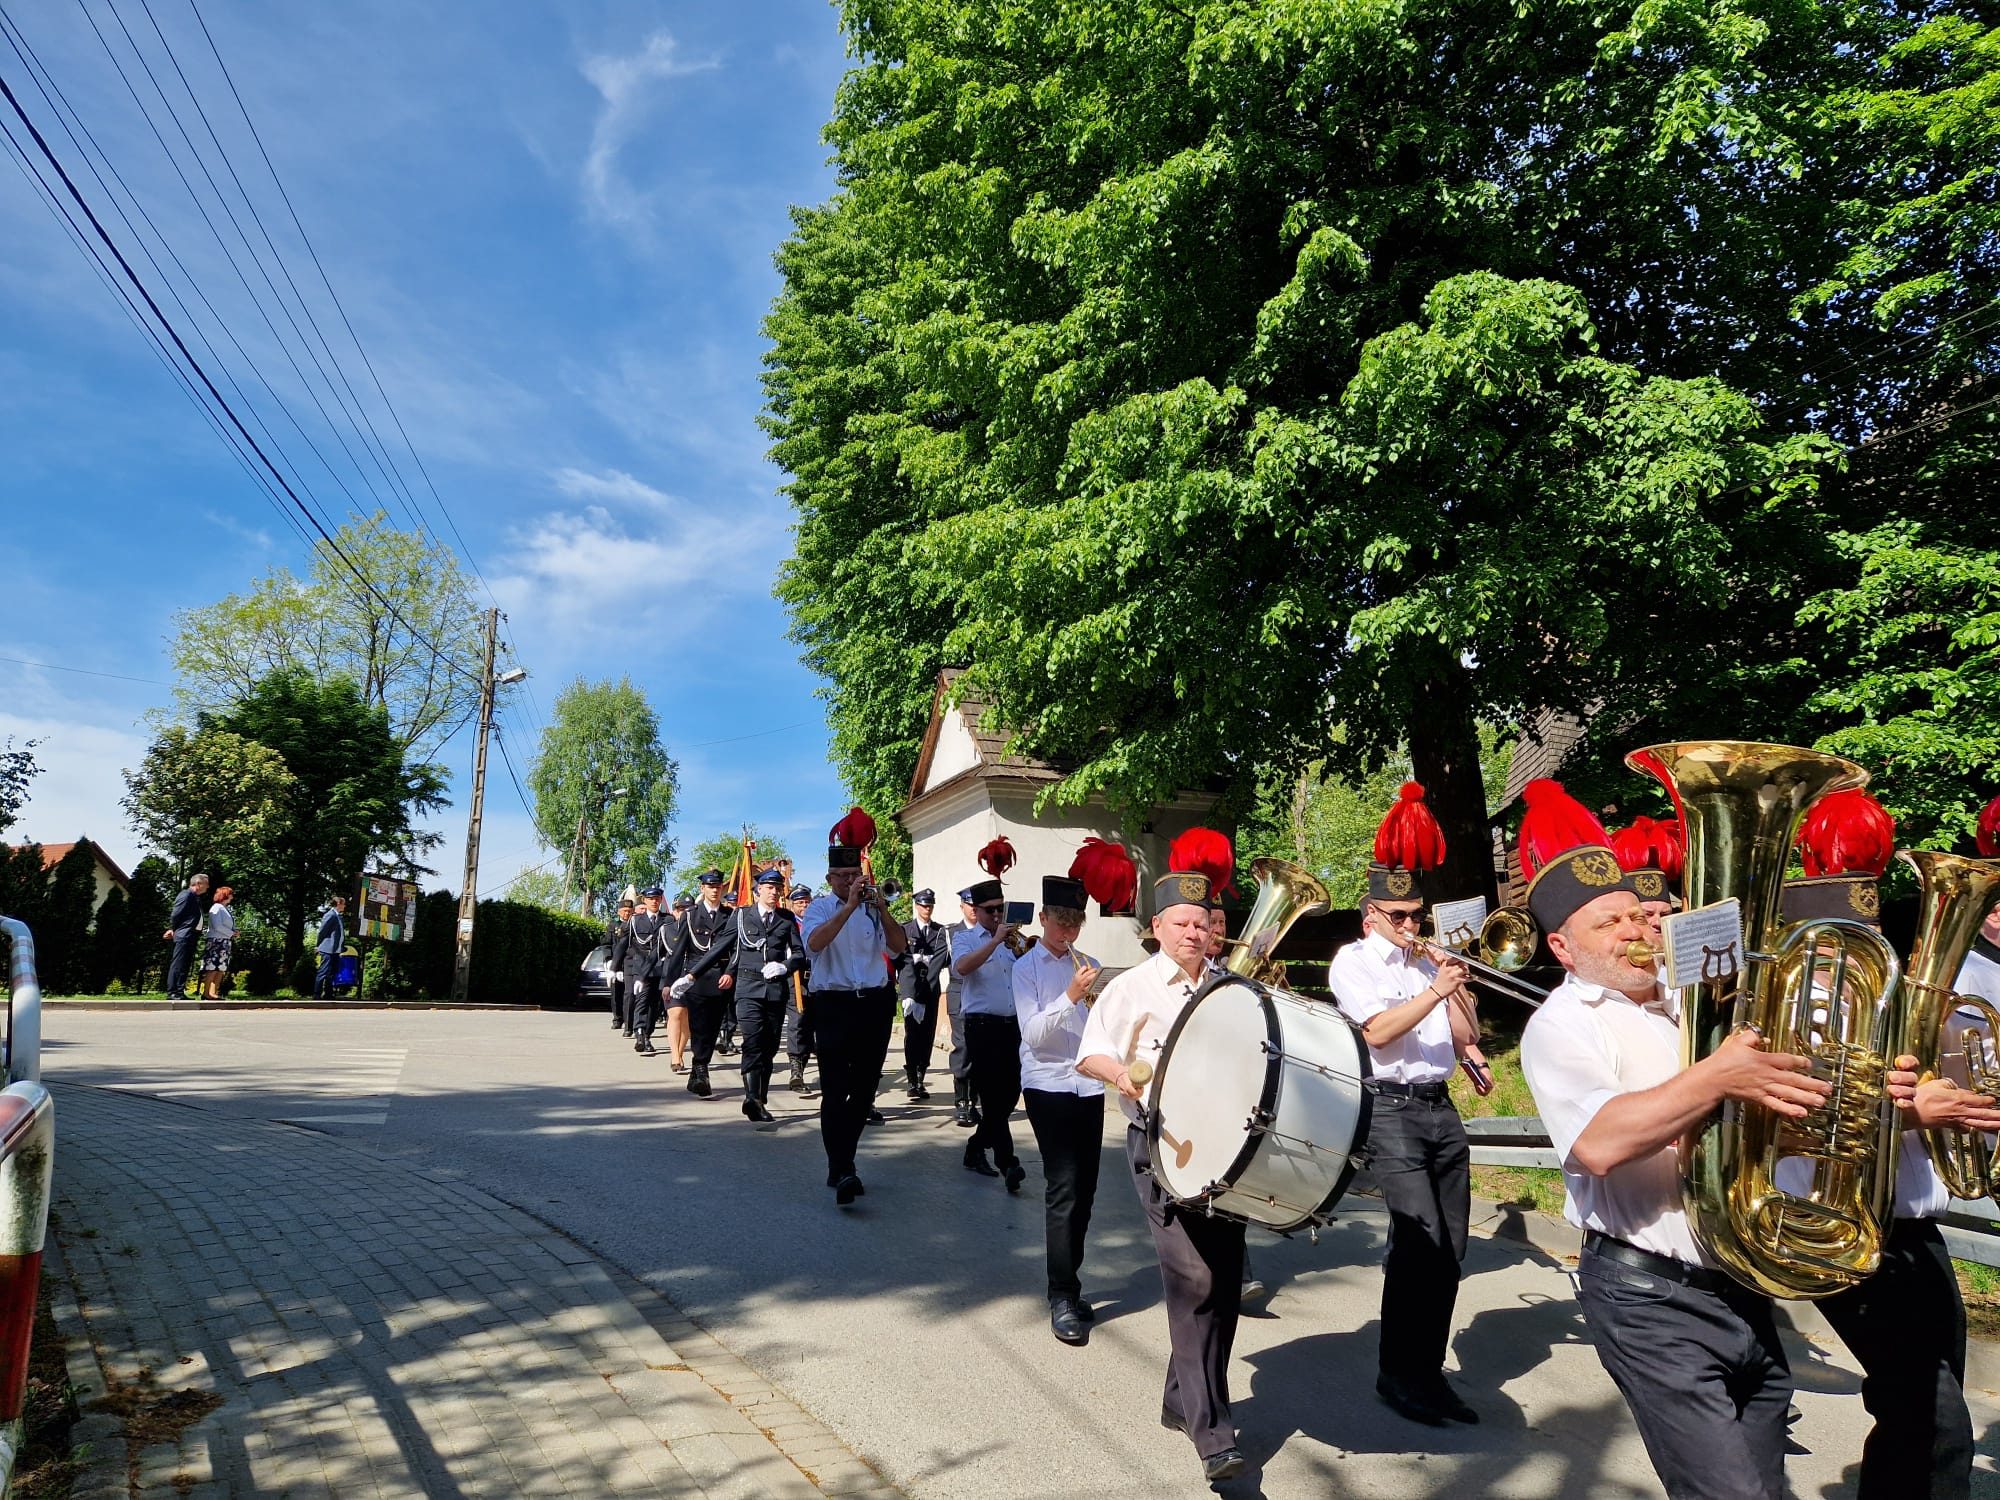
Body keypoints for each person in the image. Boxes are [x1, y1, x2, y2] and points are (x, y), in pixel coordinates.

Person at [1517, 782, 1827, 1500]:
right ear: (1562, 946)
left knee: (1767, 1487)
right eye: (1609, 924)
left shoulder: (1698, 1003)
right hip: (1650, 1295)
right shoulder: (1563, 1023)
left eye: (1638, 915)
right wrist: (1719, 1077)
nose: (1636, 931)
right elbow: (1596, 1143)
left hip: (1742, 1274)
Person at [1777, 791, 1985, 1500]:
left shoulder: (1890, 990)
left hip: (1909, 1224)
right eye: (1850, 948)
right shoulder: (1793, 994)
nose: (1870, 964)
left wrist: (1956, 1090)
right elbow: (1806, 1112)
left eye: (1872, 943)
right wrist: (1916, 1114)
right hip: (1836, 1221)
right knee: (1932, 1417)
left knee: (1930, 1399)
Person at [1077, 870, 1245, 1484]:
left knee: (1224, 1279)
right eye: (1182, 923)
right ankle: (1213, 1435)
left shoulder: (1229, 987)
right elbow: (1091, 1051)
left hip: (1226, 1153)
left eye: (1203, 924)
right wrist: (1122, 1077)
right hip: (1161, 1147)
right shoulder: (1134, 987)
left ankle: (1181, 1397)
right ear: (1158, 928)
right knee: (1192, 1277)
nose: (1194, 933)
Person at [1326, 783, 1478, 1426]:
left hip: (1440, 1107)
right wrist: (1433, 989)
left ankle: (1428, 1371)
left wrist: (1458, 986)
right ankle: (1398, 1373)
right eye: (1401, 917)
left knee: (1451, 1249)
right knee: (1417, 1241)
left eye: (1418, 915)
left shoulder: (1428, 964)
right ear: (1372, 916)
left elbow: (1466, 1035)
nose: (1413, 926)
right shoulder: (1352, 961)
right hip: (1388, 1110)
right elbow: (1379, 1031)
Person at [1013, 874, 1105, 1344]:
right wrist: (1071, 995)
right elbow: (1033, 1034)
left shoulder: (1089, 964)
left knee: (1086, 1189)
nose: (1065, 932)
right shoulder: (1025, 968)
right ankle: (1061, 1294)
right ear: (1044, 919)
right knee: (1063, 1185)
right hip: (1047, 1083)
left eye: (1073, 923)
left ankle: (1072, 1281)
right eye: (1059, 922)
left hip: (1088, 1084)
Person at [800, 841, 906, 1204]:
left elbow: (897, 948)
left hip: (873, 1003)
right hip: (834, 1004)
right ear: (830, 878)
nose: (849, 881)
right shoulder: (818, 908)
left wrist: (883, 909)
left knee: (863, 1092)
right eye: (842, 877)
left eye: (853, 876)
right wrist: (848, 907)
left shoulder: (873, 909)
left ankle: (842, 1163)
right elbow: (814, 945)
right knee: (834, 1090)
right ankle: (843, 1167)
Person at [682, 869, 804, 1124]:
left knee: (769, 1046)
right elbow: (719, 947)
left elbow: (800, 954)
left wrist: (786, 966)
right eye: (768, 887)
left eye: (777, 888)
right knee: (752, 1041)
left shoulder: (786, 918)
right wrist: (691, 975)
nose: (773, 892)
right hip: (748, 988)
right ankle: (752, 1099)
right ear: (758, 889)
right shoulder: (741, 916)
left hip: (774, 990)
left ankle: (760, 1094)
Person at [952, 877, 1026, 1189]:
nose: (997, 915)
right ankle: (1008, 1163)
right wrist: (994, 940)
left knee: (1010, 1095)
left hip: (1014, 1025)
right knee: (994, 1097)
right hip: (982, 1025)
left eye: (1000, 909)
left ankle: (975, 1145)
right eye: (990, 910)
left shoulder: (1014, 939)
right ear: (976, 910)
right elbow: (963, 968)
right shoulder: (965, 939)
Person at [666, 872, 734, 1097]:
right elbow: (679, 951)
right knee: (698, 1025)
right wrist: (669, 982)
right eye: (709, 886)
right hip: (695, 978)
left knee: (713, 1026)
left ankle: (697, 1067)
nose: (714, 890)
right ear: (702, 888)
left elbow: (735, 951)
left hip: (720, 978)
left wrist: (731, 973)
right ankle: (702, 1069)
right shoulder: (690, 916)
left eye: (717, 887)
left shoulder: (730, 915)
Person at [897, 889, 951, 1101]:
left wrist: (922, 961)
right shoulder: (905, 930)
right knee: (912, 1034)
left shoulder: (939, 932)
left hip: (930, 988)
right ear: (916, 906)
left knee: (927, 1033)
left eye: (930, 905)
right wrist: (910, 992)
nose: (927, 909)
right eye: (923, 905)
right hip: (910, 989)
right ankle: (911, 1079)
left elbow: (939, 961)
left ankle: (921, 1078)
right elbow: (904, 960)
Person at [620, 887, 674, 1057]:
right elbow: (624, 943)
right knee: (641, 1001)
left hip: (660, 967)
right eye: (651, 899)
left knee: (655, 1005)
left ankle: (648, 1034)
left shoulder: (668, 920)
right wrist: (615, 966)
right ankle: (640, 1033)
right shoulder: (636, 920)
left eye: (657, 899)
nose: (654, 901)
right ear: (644, 900)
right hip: (641, 967)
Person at [948, 888, 980, 1127]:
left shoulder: (991, 933)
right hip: (959, 994)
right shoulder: (951, 933)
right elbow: (938, 963)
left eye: (975, 905)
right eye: (968, 905)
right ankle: (961, 1101)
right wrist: (916, 995)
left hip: (981, 997)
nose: (973, 909)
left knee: (979, 1049)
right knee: (964, 1047)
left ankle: (974, 1101)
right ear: (962, 907)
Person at [783, 884, 819, 1094]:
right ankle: (796, 1072)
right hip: (796, 981)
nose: (804, 905)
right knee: (798, 1023)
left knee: (815, 1025)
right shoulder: (789, 924)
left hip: (819, 980)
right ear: (792, 905)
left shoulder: (818, 923)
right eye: (799, 902)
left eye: (807, 901)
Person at [164, 872, 209, 1000]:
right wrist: (172, 928)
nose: (208, 887)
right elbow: (176, 913)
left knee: (185, 964)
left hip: (192, 935)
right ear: (198, 884)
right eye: (206, 884)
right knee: (178, 963)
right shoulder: (186, 895)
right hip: (184, 934)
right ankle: (172, 992)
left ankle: (179, 991)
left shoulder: (195, 897)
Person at [664, 895, 693, 1065]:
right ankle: (674, 1055)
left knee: (686, 1017)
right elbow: (655, 955)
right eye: (682, 910)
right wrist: (642, 977)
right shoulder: (666, 929)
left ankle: (680, 1052)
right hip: (671, 976)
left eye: (688, 910)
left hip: (691, 977)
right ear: (675, 912)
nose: (684, 914)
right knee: (676, 1013)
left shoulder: (698, 929)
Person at [199, 884, 236, 1001]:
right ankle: (206, 992)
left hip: (225, 941)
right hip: (216, 941)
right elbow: (217, 925)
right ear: (225, 895)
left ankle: (214, 992)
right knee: (213, 967)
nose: (232, 897)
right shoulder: (216, 908)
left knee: (220, 968)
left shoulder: (225, 909)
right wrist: (231, 933)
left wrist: (233, 932)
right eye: (230, 894)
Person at [607, 897, 636, 1033]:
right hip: (616, 964)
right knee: (616, 993)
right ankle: (617, 1018)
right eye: (624, 911)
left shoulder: (635, 924)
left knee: (629, 994)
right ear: (619, 912)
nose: (627, 913)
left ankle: (629, 1020)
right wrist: (609, 961)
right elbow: (607, 944)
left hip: (629, 963)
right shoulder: (613, 925)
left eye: (629, 911)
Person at [312, 894, 346, 1000]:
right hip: (327, 949)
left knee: (332, 973)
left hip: (335, 950)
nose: (345, 906)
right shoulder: (330, 915)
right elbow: (322, 931)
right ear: (339, 904)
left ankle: (328, 994)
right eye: (344, 904)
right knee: (323, 971)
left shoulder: (338, 916)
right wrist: (318, 945)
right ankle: (317, 995)